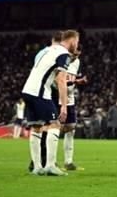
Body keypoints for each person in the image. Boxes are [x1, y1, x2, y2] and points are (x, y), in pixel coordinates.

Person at [21, 29, 79, 177]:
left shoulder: (48, 50)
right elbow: (60, 80)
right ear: (72, 40)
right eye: (77, 42)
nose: (77, 45)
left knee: (36, 127)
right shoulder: (63, 54)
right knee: (55, 124)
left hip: (28, 90)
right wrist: (64, 106)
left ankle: (38, 167)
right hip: (40, 92)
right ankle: (50, 166)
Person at [60, 49, 87, 171]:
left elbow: (70, 81)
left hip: (70, 100)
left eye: (78, 54)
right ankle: (45, 161)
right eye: (74, 53)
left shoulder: (77, 62)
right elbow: (59, 80)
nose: (76, 56)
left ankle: (68, 162)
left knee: (71, 129)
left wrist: (77, 81)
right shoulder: (62, 59)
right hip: (57, 98)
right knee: (51, 129)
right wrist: (74, 81)